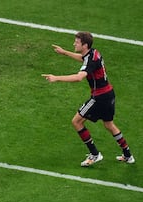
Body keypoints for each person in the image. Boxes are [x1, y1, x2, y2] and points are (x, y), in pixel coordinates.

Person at [41, 31, 135, 167]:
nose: (74, 43)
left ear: (84, 45)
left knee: (76, 122)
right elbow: (83, 59)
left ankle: (95, 154)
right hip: (109, 94)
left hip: (99, 97)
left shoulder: (91, 59)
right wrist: (65, 52)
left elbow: (79, 77)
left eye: (77, 42)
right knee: (109, 125)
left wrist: (56, 78)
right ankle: (128, 155)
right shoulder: (94, 53)